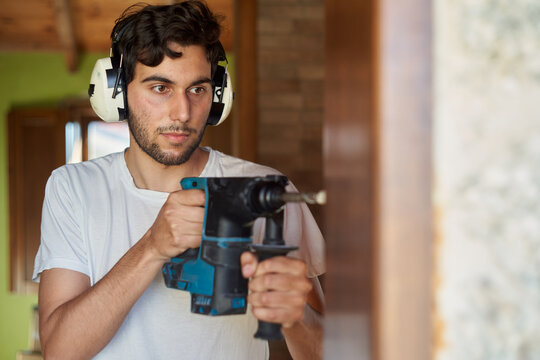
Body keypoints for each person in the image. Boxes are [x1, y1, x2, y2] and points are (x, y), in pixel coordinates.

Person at [32, 1, 325, 359]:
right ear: (118, 91)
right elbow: (60, 351)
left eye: (198, 89)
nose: (183, 113)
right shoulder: (73, 189)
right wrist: (152, 247)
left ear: (216, 97)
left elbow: (332, 351)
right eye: (161, 88)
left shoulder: (265, 190)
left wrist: (296, 318)